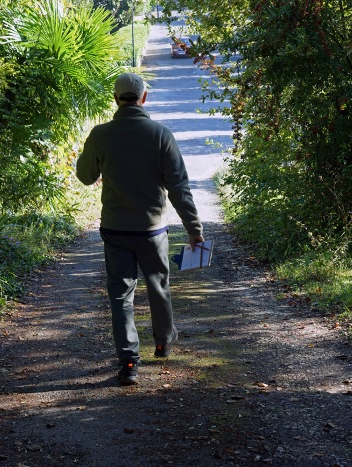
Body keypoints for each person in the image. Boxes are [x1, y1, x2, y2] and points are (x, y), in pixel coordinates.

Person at [76, 72, 204, 385]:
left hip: (116, 230)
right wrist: (194, 228)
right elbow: (179, 187)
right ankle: (162, 342)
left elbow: (84, 176)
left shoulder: (101, 134)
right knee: (158, 286)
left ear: (116, 98)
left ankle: (129, 363)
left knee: (121, 296)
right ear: (143, 97)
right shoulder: (160, 135)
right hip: (153, 231)